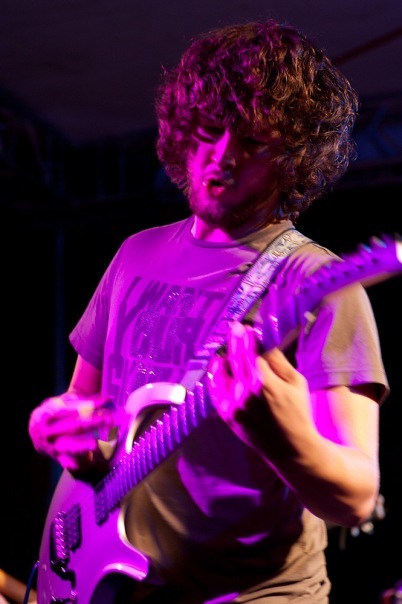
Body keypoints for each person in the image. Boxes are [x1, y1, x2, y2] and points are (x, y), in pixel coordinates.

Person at [28, 19, 389, 604]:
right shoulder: (135, 253)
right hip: (115, 575)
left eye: (254, 142)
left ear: (293, 158)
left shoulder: (319, 286)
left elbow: (355, 497)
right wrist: (60, 430)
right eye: (209, 131)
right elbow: (82, 405)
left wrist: (283, 435)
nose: (222, 157)